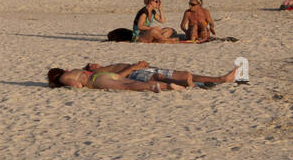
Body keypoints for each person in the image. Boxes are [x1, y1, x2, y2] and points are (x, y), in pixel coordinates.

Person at [78, 61, 242, 88]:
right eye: (90, 66)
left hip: (139, 71)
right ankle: (192, 84)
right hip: (136, 75)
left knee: (186, 74)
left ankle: (221, 79)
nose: (93, 64)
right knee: (182, 76)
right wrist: (136, 66)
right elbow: (118, 77)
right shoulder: (97, 72)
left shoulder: (103, 67)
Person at [47, 65, 183, 91]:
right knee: (130, 81)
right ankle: (167, 85)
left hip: (96, 81)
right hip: (102, 75)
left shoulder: (63, 78)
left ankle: (153, 86)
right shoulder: (74, 70)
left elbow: (77, 85)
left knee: (127, 86)